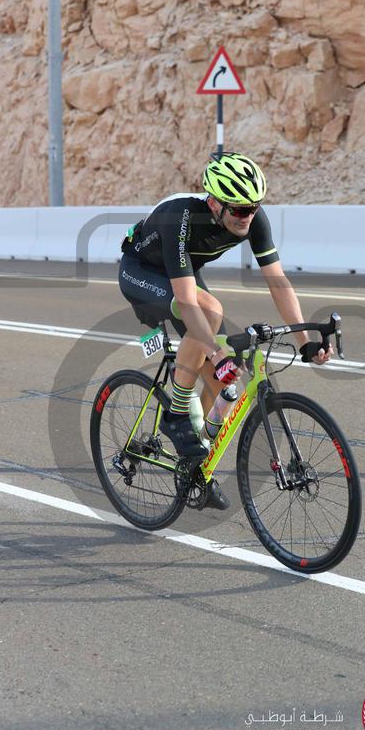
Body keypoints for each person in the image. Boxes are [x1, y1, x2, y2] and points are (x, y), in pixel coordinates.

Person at [118, 152, 332, 509]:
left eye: (254, 208)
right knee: (211, 312)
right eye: (240, 209)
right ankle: (175, 416)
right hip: (141, 272)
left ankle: (194, 467)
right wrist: (216, 354)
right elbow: (186, 301)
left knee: (227, 388)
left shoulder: (252, 218)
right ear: (215, 203)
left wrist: (305, 342)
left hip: (181, 275)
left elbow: (278, 283)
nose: (248, 216)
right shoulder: (182, 217)